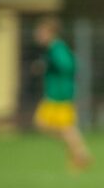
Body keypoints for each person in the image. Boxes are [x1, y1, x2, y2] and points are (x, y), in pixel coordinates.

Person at [33, 16, 92, 169]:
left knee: (64, 128)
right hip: (54, 94)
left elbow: (68, 65)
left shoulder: (57, 48)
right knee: (46, 125)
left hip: (60, 95)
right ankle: (78, 152)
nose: (38, 34)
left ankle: (80, 154)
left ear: (49, 32)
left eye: (41, 32)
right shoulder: (53, 49)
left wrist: (49, 65)